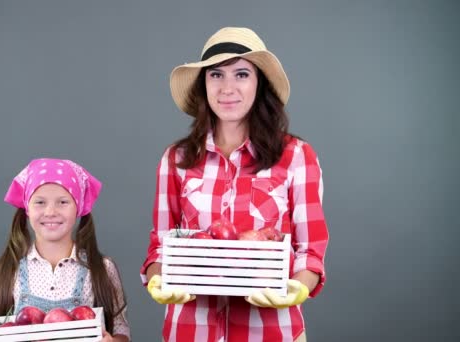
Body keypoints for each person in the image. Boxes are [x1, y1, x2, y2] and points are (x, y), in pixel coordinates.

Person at [140, 27, 329, 342]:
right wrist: (158, 280)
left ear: (260, 84)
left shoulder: (296, 156)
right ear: (204, 86)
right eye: (216, 75)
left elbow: (310, 250)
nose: (228, 88)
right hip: (190, 331)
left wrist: (297, 288)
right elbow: (160, 246)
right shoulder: (177, 159)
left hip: (269, 331)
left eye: (241, 74)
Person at [0, 158, 130, 341]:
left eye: (63, 202)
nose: (50, 212)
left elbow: (121, 329)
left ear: (78, 207)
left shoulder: (102, 268)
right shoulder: (6, 271)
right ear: (27, 209)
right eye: (40, 202)